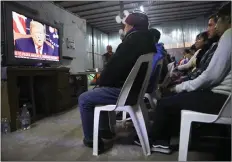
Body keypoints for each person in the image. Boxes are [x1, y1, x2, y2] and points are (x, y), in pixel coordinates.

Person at [134, 2, 231, 154]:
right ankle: (170, 133)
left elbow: (211, 76)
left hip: (222, 100)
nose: (215, 26)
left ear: (228, 19)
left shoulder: (229, 35)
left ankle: (159, 141)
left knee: (165, 102)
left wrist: (181, 86)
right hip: (224, 98)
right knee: (175, 97)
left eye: (217, 21)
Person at [78, 12, 156, 152]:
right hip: (136, 92)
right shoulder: (149, 42)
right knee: (98, 93)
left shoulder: (131, 41)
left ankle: (91, 139)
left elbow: (112, 69)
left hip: (126, 93)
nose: (124, 28)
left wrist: (101, 82)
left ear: (131, 25)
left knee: (85, 99)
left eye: (125, 25)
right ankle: (105, 131)